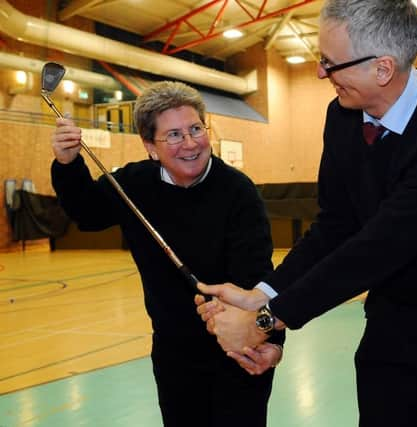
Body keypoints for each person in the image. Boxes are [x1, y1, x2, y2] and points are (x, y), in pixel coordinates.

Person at [195, 1, 417, 426]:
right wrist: (265, 293)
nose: (319, 73)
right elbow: (336, 225)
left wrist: (263, 321)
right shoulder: (343, 114)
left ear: (382, 69)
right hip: (391, 316)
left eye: (330, 63)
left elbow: (378, 248)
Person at [50, 81, 284, 426]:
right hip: (174, 355)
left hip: (239, 350)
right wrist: (68, 164)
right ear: (150, 146)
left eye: (195, 129)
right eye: (173, 135)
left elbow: (259, 279)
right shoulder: (132, 184)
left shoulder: (238, 192)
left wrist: (273, 342)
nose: (190, 143)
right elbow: (87, 213)